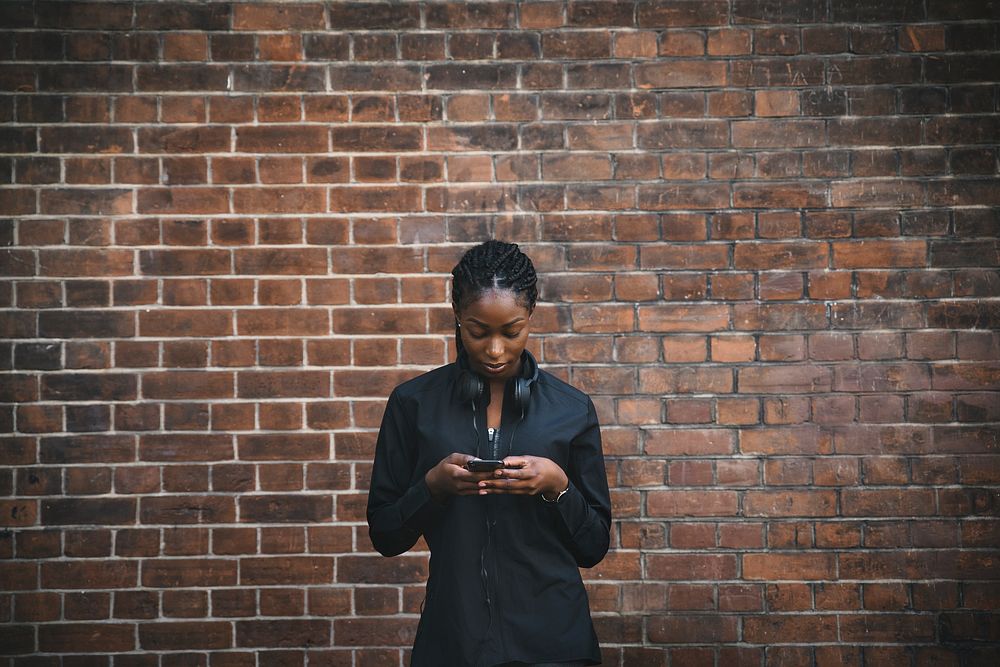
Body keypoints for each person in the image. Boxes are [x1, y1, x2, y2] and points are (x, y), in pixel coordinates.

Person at [366, 240, 612, 667]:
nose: (495, 350)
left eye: (511, 331)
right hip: (453, 643)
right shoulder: (414, 404)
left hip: (555, 646)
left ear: (530, 317)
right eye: (478, 332)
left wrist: (558, 486)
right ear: (458, 320)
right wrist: (432, 487)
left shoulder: (571, 410)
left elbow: (593, 547)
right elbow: (385, 534)